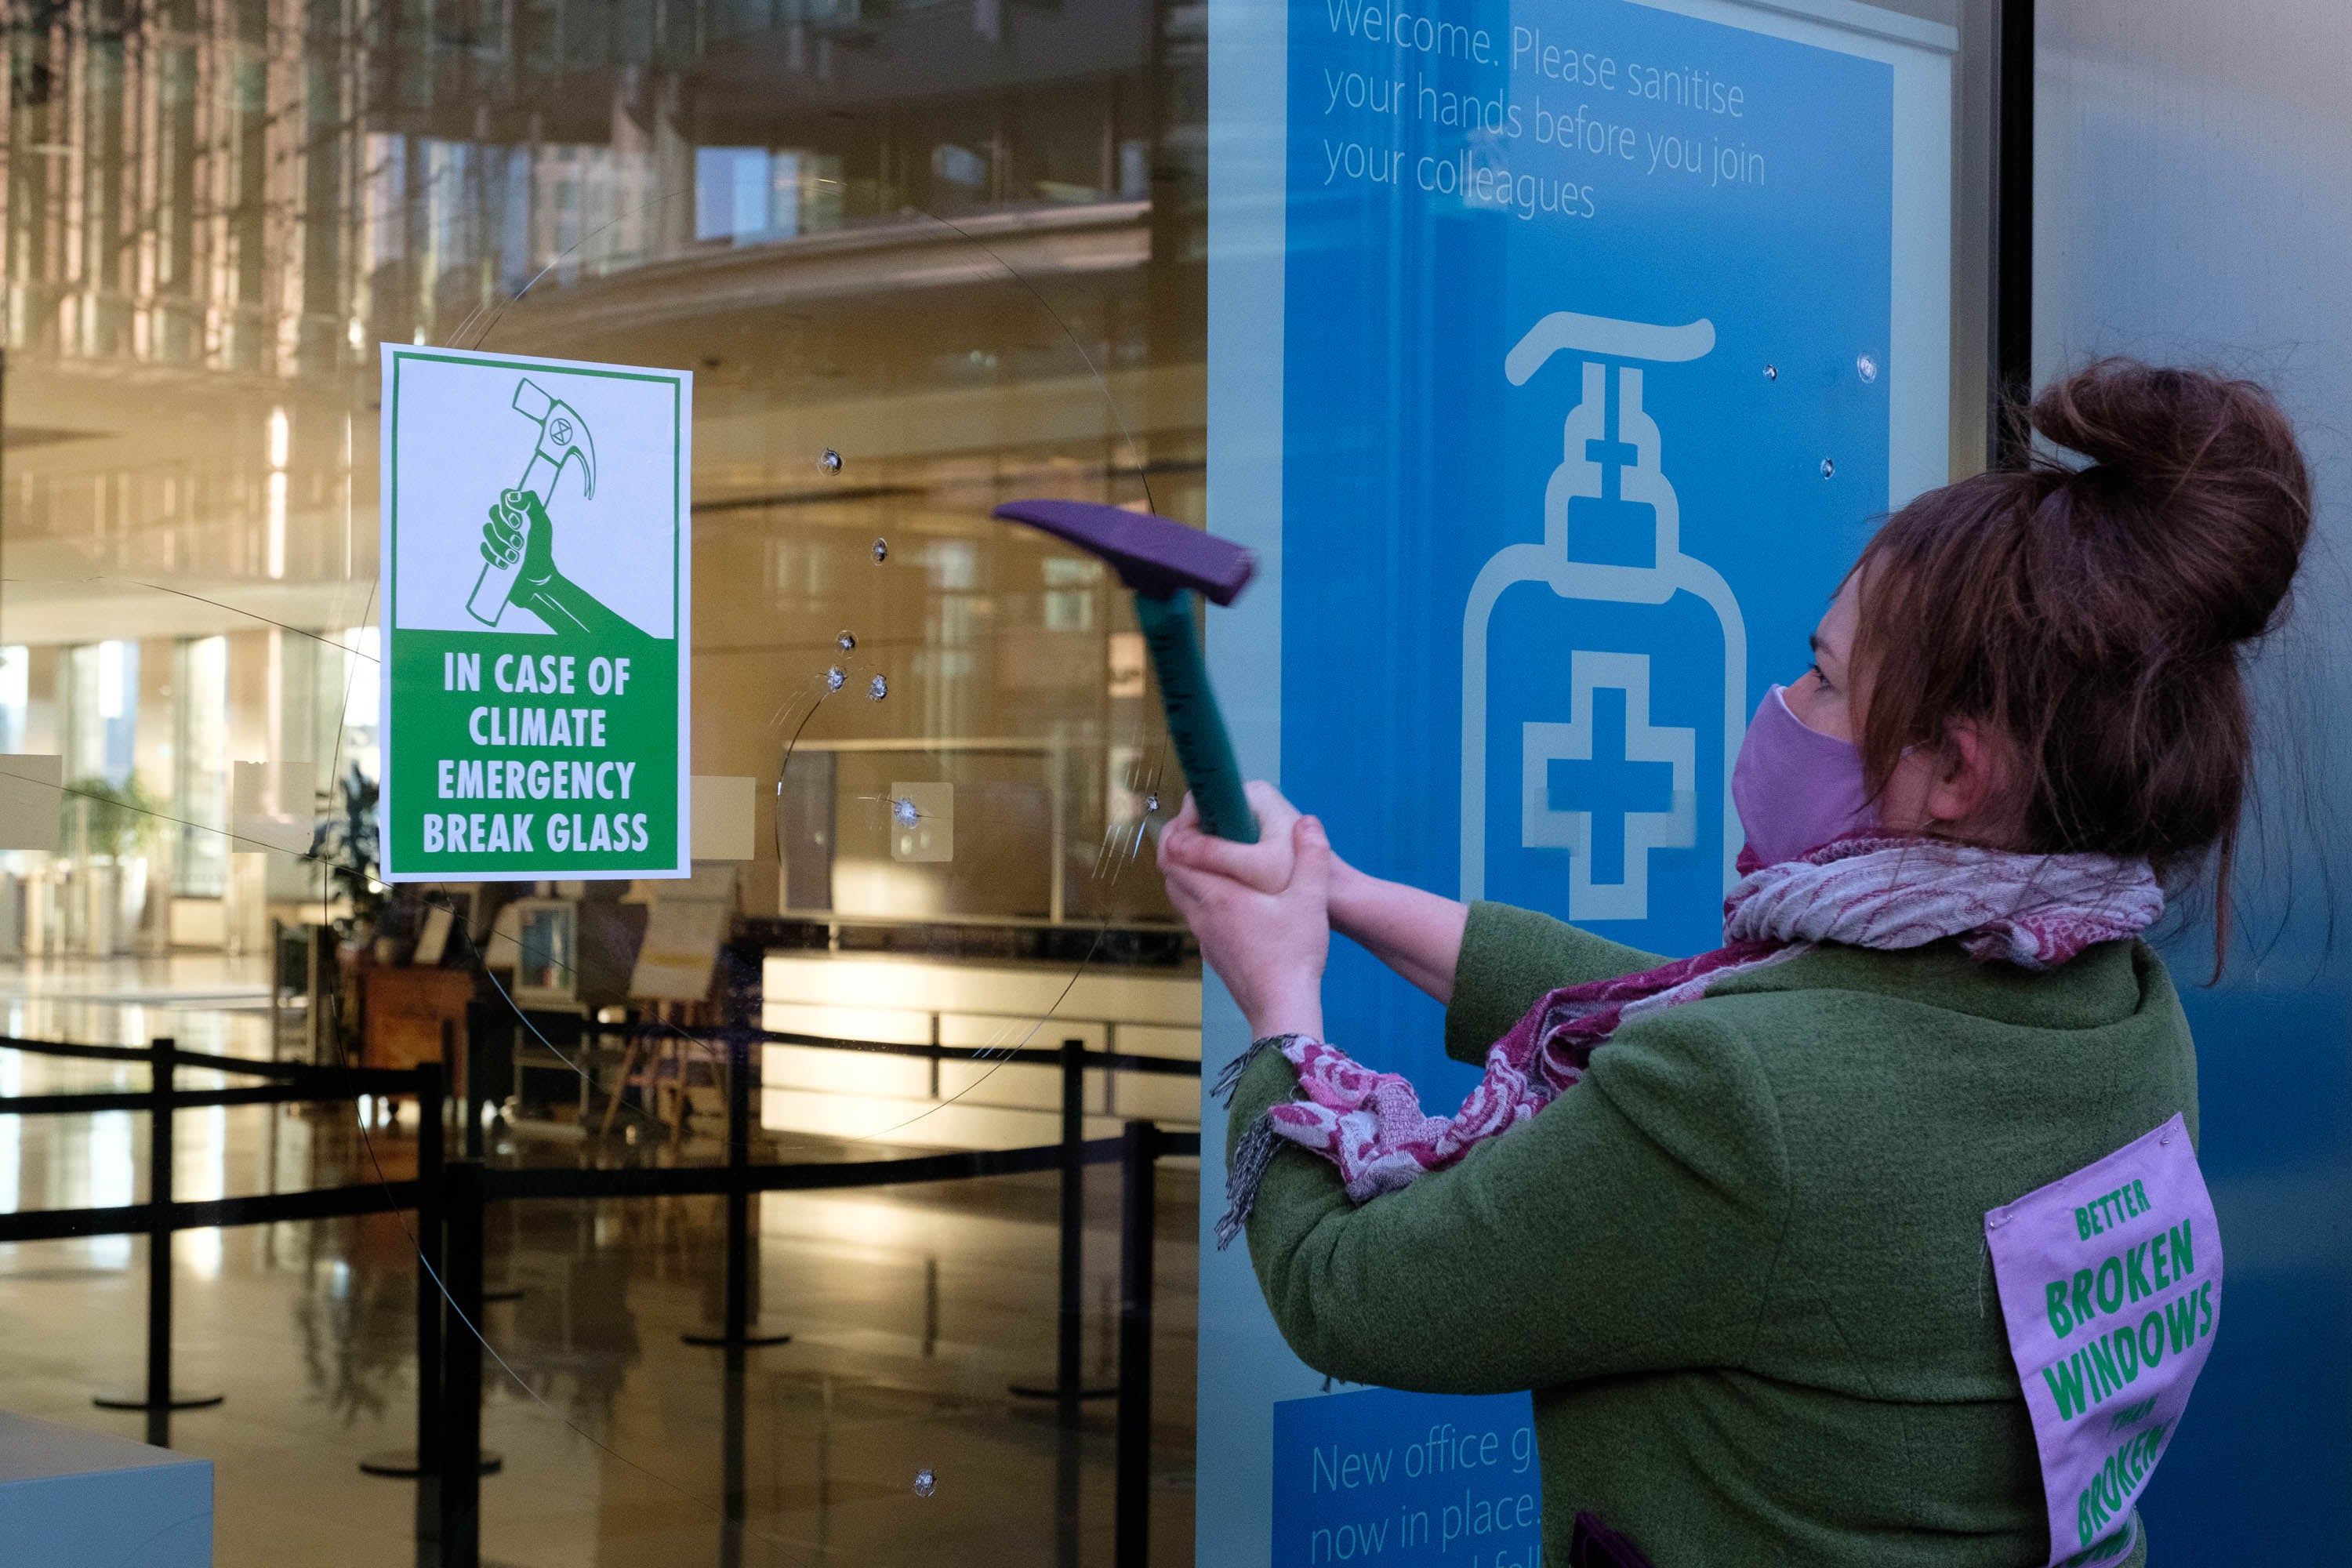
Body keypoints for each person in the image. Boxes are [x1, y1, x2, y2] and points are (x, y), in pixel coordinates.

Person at [1160, 360, 2310, 1567]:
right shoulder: (2118, 1008)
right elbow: (1727, 1019)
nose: (1784, 702)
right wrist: (1340, 895)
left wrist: (1280, 1007)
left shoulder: (1745, 1108)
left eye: (1824, 676)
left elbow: (1355, 1294)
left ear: (1956, 774)